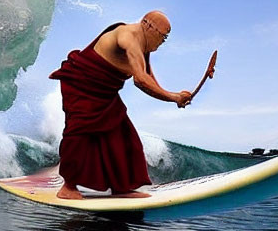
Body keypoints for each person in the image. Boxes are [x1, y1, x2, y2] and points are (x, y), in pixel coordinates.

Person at [50, 11, 192, 200]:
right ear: (148, 26)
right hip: (82, 85)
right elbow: (140, 80)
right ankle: (68, 186)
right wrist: (173, 98)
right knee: (80, 135)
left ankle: (121, 188)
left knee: (125, 138)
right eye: (163, 36)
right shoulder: (128, 36)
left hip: (105, 93)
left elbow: (149, 79)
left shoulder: (144, 47)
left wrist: (176, 96)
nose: (163, 42)